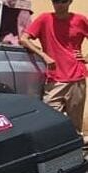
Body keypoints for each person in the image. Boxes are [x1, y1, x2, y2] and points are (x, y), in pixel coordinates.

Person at [20, 0, 88, 133]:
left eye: (63, 1)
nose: (59, 5)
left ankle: (75, 152)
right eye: (56, 1)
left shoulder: (80, 20)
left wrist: (86, 58)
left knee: (75, 126)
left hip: (76, 79)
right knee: (48, 121)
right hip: (54, 80)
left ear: (70, 2)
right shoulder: (45, 19)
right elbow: (24, 39)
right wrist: (44, 55)